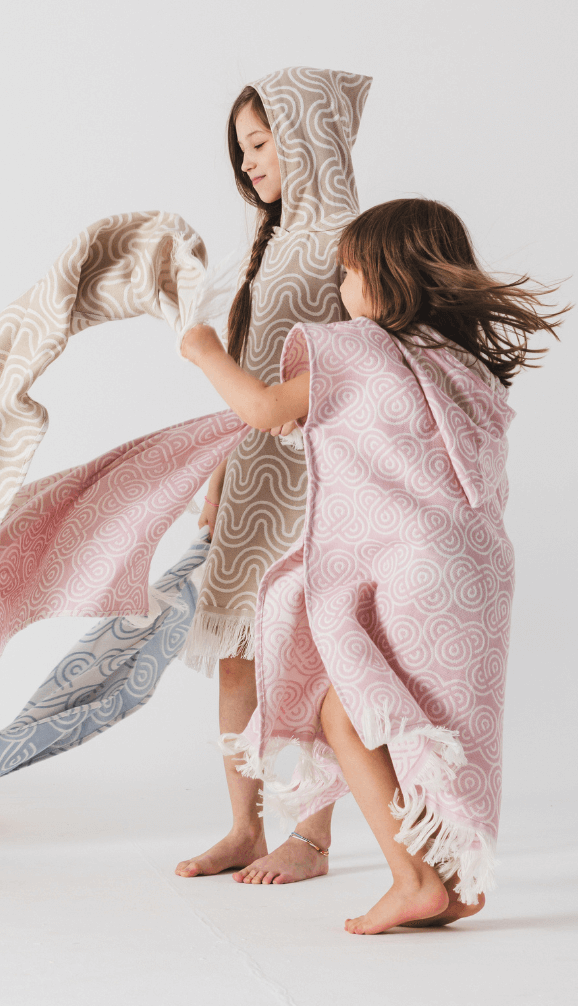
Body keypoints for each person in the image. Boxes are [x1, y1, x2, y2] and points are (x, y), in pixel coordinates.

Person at [180, 197, 566, 932]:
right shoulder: (464, 365)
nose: (341, 288)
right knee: (433, 719)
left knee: (348, 711)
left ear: (387, 277)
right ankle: (451, 878)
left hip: (409, 566)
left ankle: (410, 876)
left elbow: (265, 410)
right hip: (478, 571)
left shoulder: (360, 347)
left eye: (348, 272)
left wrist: (204, 351)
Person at [176, 67, 372, 883]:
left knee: (310, 653)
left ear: (307, 136)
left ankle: (312, 837)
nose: (248, 163)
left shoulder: (353, 241)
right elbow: (253, 370)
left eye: (260, 143)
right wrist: (222, 472)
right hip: (255, 472)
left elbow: (368, 359)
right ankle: (243, 826)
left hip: (321, 472)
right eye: (241, 150)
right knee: (236, 650)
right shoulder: (273, 238)